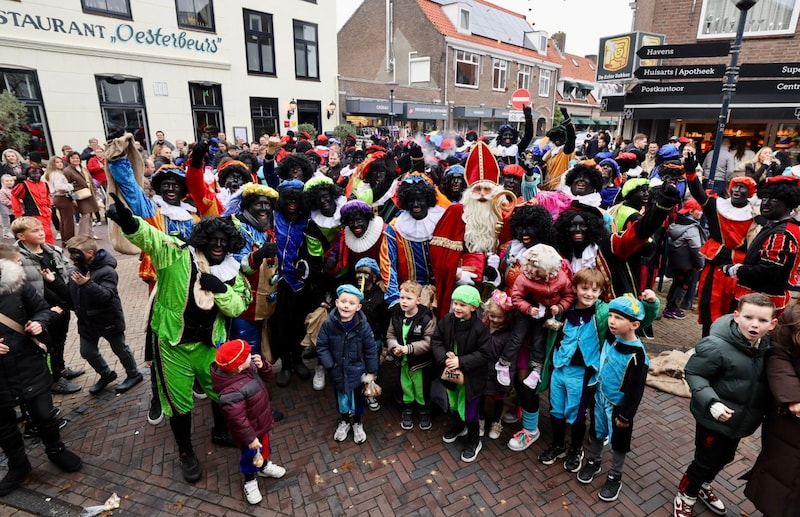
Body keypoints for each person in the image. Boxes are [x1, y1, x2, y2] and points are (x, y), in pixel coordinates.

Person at [106, 193, 251, 483]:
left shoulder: (232, 272)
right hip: (174, 346)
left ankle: (220, 430)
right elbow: (152, 238)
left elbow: (239, 305)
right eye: (213, 240)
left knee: (221, 392)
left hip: (211, 345)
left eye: (224, 241)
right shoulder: (175, 254)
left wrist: (220, 290)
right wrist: (128, 221)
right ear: (203, 240)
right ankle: (185, 451)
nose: (219, 246)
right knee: (178, 402)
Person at [674, 293, 777, 517]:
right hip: (714, 420)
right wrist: (712, 402)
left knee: (725, 457)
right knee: (705, 460)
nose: (754, 324)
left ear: (772, 324)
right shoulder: (716, 346)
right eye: (749, 317)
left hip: (743, 421)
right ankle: (686, 494)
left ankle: (702, 486)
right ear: (737, 315)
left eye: (762, 320)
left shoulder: (769, 348)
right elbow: (694, 373)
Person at [0, 243, 82, 496]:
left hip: (27, 361)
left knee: (44, 414)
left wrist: (38, 322)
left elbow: (43, 309)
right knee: (3, 426)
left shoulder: (14, 283)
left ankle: (56, 449)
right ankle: (18, 465)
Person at [581, 292, 659, 503]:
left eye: (619, 318)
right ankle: (594, 460)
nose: (612, 321)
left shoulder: (638, 356)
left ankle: (615, 475)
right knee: (596, 430)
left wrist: (626, 416)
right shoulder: (610, 336)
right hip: (599, 397)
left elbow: (636, 391)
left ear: (634, 324)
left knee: (619, 441)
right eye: (611, 316)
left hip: (619, 407)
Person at [536, 269, 607, 473]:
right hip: (560, 368)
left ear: (600, 292)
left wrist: (650, 303)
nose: (589, 294)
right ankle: (558, 445)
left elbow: (635, 318)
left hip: (582, 373)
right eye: (585, 288)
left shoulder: (602, 313)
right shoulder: (565, 311)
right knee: (556, 410)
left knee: (576, 414)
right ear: (575, 288)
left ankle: (576, 449)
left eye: (595, 290)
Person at [12, 217, 83, 394]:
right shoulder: (16, 258)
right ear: (21, 236)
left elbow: (67, 272)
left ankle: (60, 369)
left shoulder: (53, 250)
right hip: (39, 312)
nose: (41, 232)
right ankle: (53, 379)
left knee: (60, 339)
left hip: (61, 306)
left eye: (41, 228)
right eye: (34, 231)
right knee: (46, 344)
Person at [210, 339, 286, 505]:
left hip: (261, 421)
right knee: (249, 456)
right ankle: (249, 480)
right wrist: (250, 438)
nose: (250, 357)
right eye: (247, 356)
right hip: (249, 433)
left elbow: (266, 377)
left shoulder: (248, 367)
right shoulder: (230, 393)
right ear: (238, 367)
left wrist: (263, 366)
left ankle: (264, 466)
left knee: (265, 447)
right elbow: (237, 421)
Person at [64, 235, 142, 395]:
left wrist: (87, 284)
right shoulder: (77, 270)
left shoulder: (107, 271)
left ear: (90, 253)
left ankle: (134, 374)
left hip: (108, 319)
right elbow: (69, 293)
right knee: (87, 351)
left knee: (120, 348)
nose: (71, 258)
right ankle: (106, 374)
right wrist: (53, 282)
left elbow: (106, 295)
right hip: (86, 321)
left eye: (75, 254)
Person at [744, 304, 800, 515]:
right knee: (781, 481)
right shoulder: (795, 316)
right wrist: (793, 398)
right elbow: (777, 353)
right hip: (792, 421)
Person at [723, 176, 800, 315]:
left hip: (760, 303)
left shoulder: (782, 233)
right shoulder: (777, 226)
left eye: (774, 200)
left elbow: (767, 272)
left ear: (788, 205)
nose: (766, 203)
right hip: (755, 298)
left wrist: (736, 270)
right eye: (764, 198)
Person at [432, 285, 491, 463]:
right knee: (453, 403)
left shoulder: (480, 328)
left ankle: (474, 440)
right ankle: (459, 426)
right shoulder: (446, 321)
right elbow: (437, 340)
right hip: (451, 374)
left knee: (470, 409)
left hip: (471, 379)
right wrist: (443, 359)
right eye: (455, 303)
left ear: (473, 307)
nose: (457, 308)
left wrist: (461, 362)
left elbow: (484, 353)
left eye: (462, 305)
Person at [316, 284, 379, 445]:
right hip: (337, 370)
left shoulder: (363, 327)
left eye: (351, 303)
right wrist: (330, 365)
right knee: (341, 398)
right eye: (343, 301)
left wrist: (371, 371)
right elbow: (322, 345)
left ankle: (357, 422)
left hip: (358, 371)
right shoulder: (329, 324)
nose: (346, 306)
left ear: (358, 307)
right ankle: (344, 420)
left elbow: (371, 349)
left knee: (358, 399)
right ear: (336, 302)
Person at [387, 280, 436, 431]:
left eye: (409, 298)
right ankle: (407, 409)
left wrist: (409, 348)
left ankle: (424, 410)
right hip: (402, 362)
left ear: (418, 300)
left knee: (421, 388)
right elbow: (390, 334)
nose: (404, 301)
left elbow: (429, 341)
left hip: (420, 363)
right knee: (405, 386)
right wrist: (394, 346)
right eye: (402, 297)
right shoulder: (396, 314)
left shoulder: (426, 318)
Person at [480, 289, 516, 441]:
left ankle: (496, 421)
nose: (494, 319)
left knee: (498, 398)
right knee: (481, 396)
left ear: (506, 317)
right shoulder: (482, 327)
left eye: (499, 317)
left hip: (498, 374)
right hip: (482, 370)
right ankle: (480, 420)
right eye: (492, 315)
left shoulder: (508, 334)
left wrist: (509, 378)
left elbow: (510, 359)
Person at [663, 199, 705, 320]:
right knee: (683, 285)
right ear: (691, 212)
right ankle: (673, 308)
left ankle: (669, 306)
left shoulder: (677, 224)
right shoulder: (692, 228)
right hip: (687, 263)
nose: (701, 213)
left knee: (676, 283)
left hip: (676, 261)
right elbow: (696, 248)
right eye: (699, 210)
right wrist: (700, 263)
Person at [11, 165, 54, 244]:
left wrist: (49, 207)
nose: (35, 175)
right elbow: (14, 196)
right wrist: (18, 213)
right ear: (28, 174)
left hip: (46, 213)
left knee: (46, 232)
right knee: (42, 234)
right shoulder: (23, 185)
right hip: (33, 213)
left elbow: (47, 196)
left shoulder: (44, 184)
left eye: (37, 173)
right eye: (32, 173)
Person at [62, 151, 99, 238]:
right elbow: (66, 186)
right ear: (69, 159)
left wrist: (94, 189)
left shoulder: (83, 169)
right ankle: (83, 235)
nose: (75, 160)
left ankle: (90, 234)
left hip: (89, 194)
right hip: (79, 196)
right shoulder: (67, 171)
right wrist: (73, 199)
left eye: (77, 158)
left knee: (89, 215)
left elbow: (90, 180)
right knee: (85, 215)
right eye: (73, 158)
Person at [44, 156, 75, 243]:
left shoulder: (49, 174)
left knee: (63, 220)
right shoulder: (57, 175)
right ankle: (70, 240)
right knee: (68, 220)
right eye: (57, 162)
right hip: (62, 197)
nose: (60, 163)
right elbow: (59, 187)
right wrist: (70, 186)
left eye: (60, 161)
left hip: (56, 198)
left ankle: (65, 239)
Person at [1, 174, 15, 239]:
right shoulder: (2, 191)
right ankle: (6, 233)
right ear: (2, 182)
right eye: (7, 181)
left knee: (13, 220)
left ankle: (14, 232)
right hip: (6, 209)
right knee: (5, 220)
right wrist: (14, 203)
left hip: (13, 209)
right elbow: (3, 200)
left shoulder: (14, 189)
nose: (9, 182)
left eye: (11, 180)